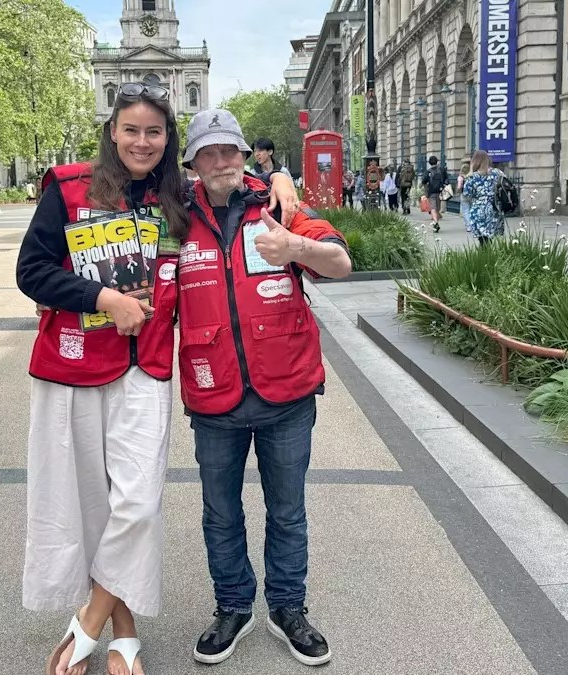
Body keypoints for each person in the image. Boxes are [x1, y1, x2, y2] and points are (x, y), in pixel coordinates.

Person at [17, 84, 298, 675]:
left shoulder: (178, 199)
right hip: (71, 365)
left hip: (145, 367)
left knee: (137, 504)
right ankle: (124, 631)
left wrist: (279, 177)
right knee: (90, 504)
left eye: (155, 132)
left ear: (169, 140)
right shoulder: (68, 187)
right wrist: (103, 298)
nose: (142, 142)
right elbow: (31, 271)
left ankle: (87, 622)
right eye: (131, 130)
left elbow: (232, 182)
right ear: (112, 132)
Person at [179, 108, 352, 668]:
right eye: (208, 153)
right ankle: (233, 606)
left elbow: (341, 262)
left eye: (229, 150)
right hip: (214, 395)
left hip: (287, 391)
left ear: (245, 155)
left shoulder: (280, 206)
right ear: (193, 163)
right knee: (220, 514)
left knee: (288, 511)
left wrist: (297, 248)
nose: (221, 162)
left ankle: (287, 608)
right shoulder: (173, 217)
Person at [462, 150, 507, 246]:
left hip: (479, 209)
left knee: (482, 239)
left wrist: (471, 171)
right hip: (494, 208)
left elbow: (467, 193)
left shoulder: (472, 177)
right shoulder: (497, 173)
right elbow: (505, 184)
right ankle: (487, 252)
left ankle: (485, 253)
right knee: (490, 238)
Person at [424, 156, 449, 232]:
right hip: (440, 191)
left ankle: (436, 222)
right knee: (437, 208)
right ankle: (436, 221)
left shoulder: (428, 171)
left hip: (431, 192)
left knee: (433, 208)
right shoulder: (442, 170)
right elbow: (446, 179)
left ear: (429, 163)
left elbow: (424, 181)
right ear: (437, 161)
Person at [456, 161, 472, 230]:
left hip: (464, 195)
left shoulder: (461, 177)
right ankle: (472, 224)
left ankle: (468, 226)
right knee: (471, 210)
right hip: (472, 195)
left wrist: (457, 191)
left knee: (465, 211)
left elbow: (459, 187)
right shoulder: (471, 176)